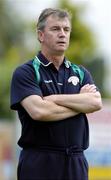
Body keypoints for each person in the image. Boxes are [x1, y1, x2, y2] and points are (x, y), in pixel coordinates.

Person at [10, 8, 102, 180]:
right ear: (41, 35)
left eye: (66, 30)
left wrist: (54, 99)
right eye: (55, 29)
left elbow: (96, 103)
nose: (62, 34)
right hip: (39, 162)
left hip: (76, 162)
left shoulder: (80, 72)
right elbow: (40, 111)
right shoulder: (26, 72)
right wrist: (80, 105)